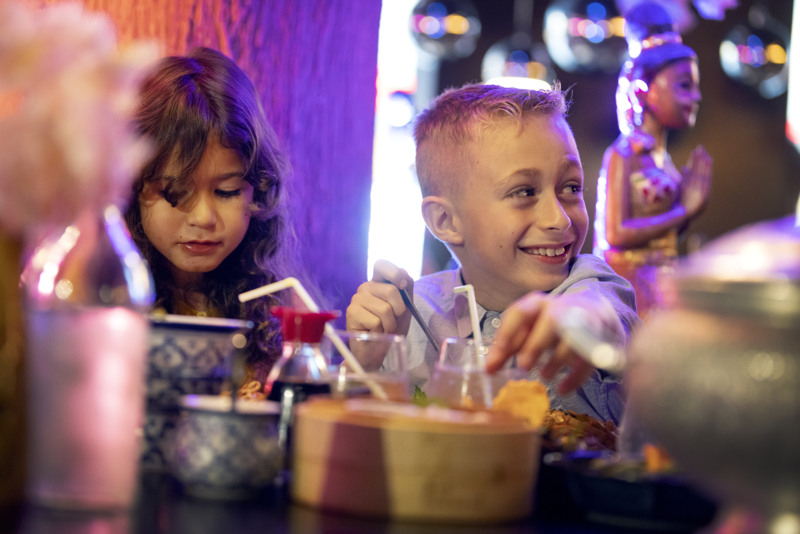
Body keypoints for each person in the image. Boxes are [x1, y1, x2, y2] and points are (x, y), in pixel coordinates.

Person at [346, 83, 639, 424]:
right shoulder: (412, 314)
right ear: (446, 221)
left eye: (571, 188)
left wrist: (578, 318)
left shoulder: (590, 282)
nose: (559, 219)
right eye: (524, 192)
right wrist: (367, 363)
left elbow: (602, 312)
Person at [125, 47, 298, 385]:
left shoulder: (278, 308)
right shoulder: (106, 308)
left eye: (228, 191)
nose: (204, 218)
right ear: (130, 187)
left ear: (258, 193)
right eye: (174, 192)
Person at [593, 2, 712, 318]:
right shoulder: (624, 155)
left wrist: (684, 214)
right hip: (628, 287)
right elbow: (615, 235)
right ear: (644, 90)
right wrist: (685, 210)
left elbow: (664, 234)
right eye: (685, 86)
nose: (696, 98)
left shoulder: (663, 159)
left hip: (661, 281)